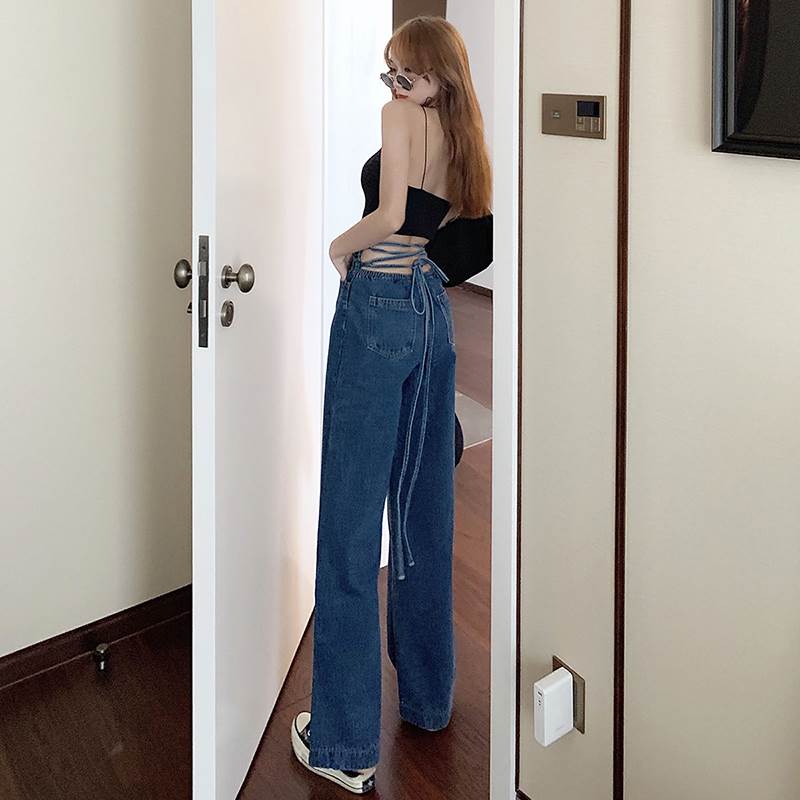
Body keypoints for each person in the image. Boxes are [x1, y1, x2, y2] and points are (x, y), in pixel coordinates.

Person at [291, 14, 492, 795]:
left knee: (348, 524)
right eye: (390, 73)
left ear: (436, 74)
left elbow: (390, 215)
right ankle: (428, 700)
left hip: (377, 299)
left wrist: (336, 246)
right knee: (422, 511)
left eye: (406, 72)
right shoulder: (461, 130)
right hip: (430, 308)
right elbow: (446, 230)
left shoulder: (399, 118)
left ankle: (344, 743)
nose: (396, 85)